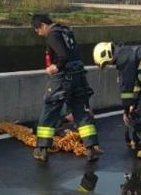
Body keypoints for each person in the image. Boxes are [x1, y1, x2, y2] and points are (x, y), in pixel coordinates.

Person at [30, 14, 102, 163]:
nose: (38, 33)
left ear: (43, 25)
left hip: (63, 78)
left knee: (50, 109)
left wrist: (55, 67)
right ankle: (91, 148)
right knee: (81, 111)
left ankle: (42, 149)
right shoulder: (66, 32)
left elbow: (63, 56)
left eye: (37, 30)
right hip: (78, 76)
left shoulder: (52, 35)